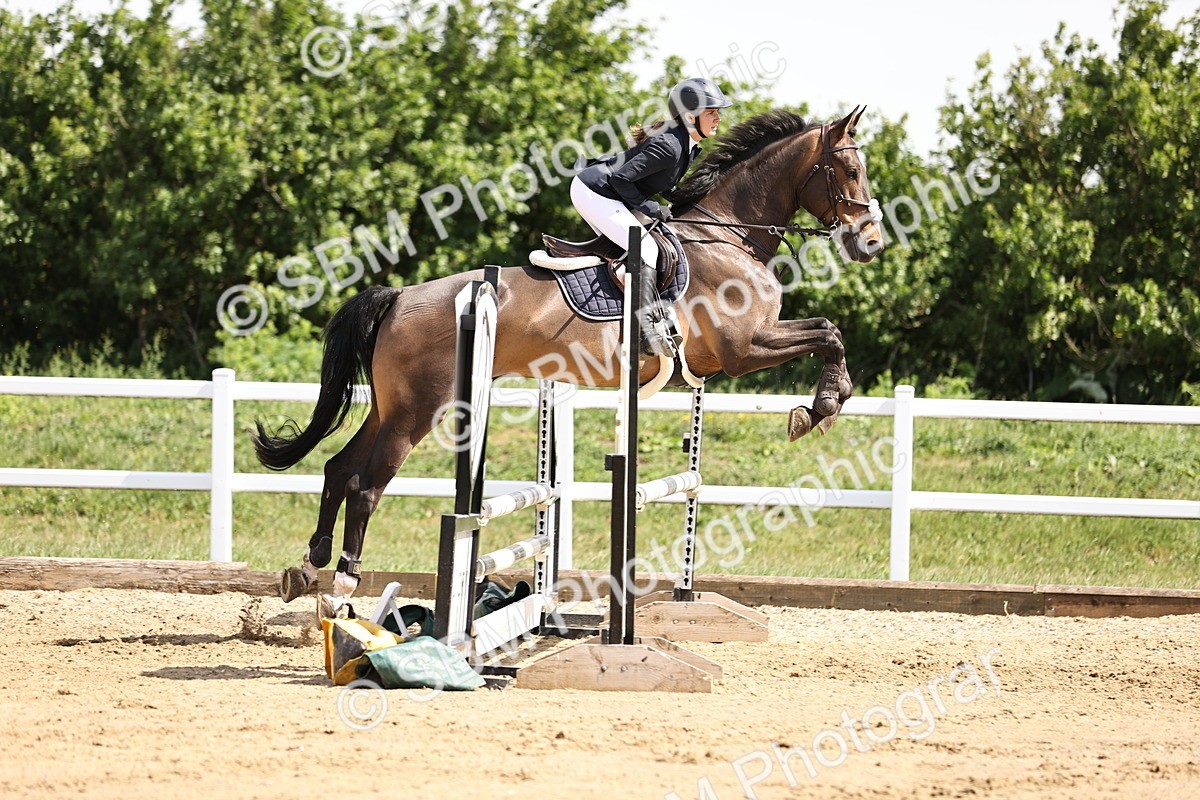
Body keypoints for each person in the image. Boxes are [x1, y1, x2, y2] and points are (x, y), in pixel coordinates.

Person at [571, 77, 733, 357]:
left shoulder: (688, 144)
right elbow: (622, 180)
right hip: (594, 191)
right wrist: (651, 208)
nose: (718, 117)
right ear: (690, 116)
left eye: (718, 112)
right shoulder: (670, 145)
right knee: (645, 249)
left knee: (660, 242)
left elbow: (661, 182)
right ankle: (644, 332)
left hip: (614, 192)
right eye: (712, 112)